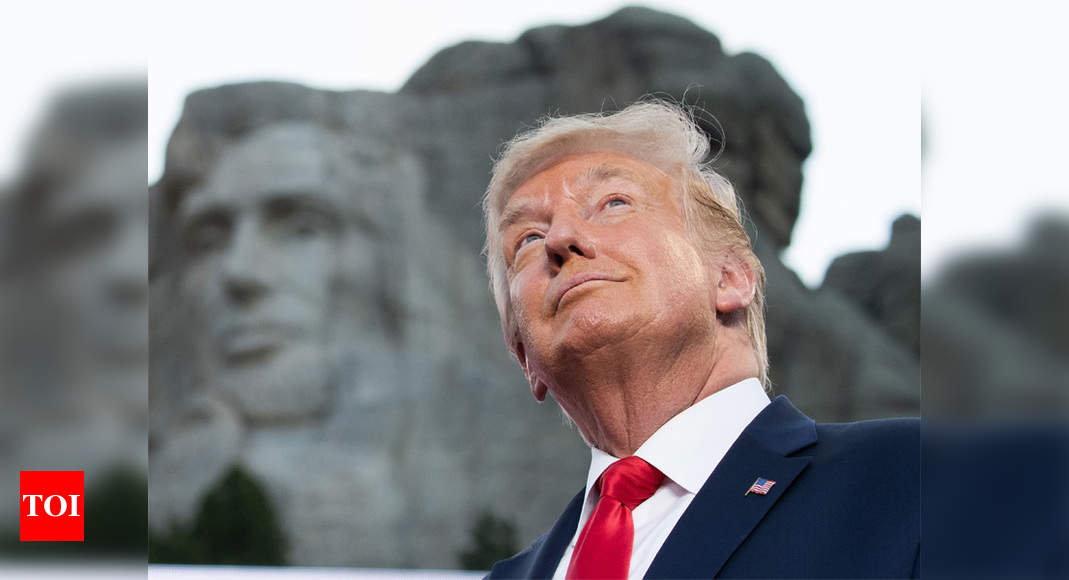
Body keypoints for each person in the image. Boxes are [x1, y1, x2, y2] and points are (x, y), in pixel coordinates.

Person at [482, 101, 919, 579]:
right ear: (523, 355)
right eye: (526, 238)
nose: (560, 238)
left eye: (614, 203)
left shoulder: (920, 479)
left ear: (729, 278)